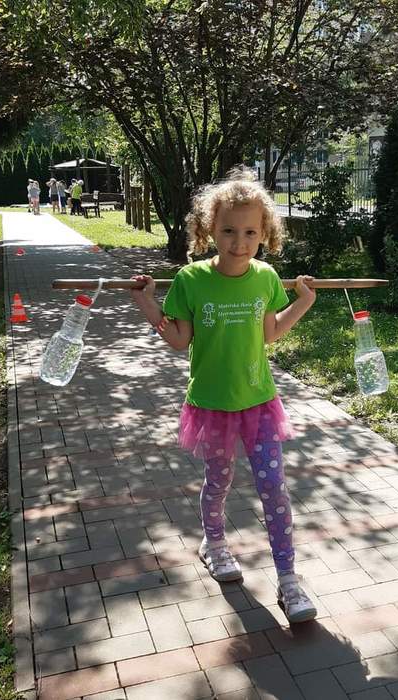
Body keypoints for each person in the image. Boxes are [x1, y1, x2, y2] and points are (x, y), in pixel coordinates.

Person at [130, 168, 318, 624]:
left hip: (259, 403)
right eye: (229, 231)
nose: (239, 242)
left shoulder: (266, 277)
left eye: (250, 232)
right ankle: (214, 544)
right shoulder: (191, 280)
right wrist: (149, 305)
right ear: (209, 229)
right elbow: (179, 340)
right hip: (212, 406)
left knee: (274, 488)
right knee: (219, 480)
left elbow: (269, 333)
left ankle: (288, 579)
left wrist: (303, 302)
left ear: (264, 232)